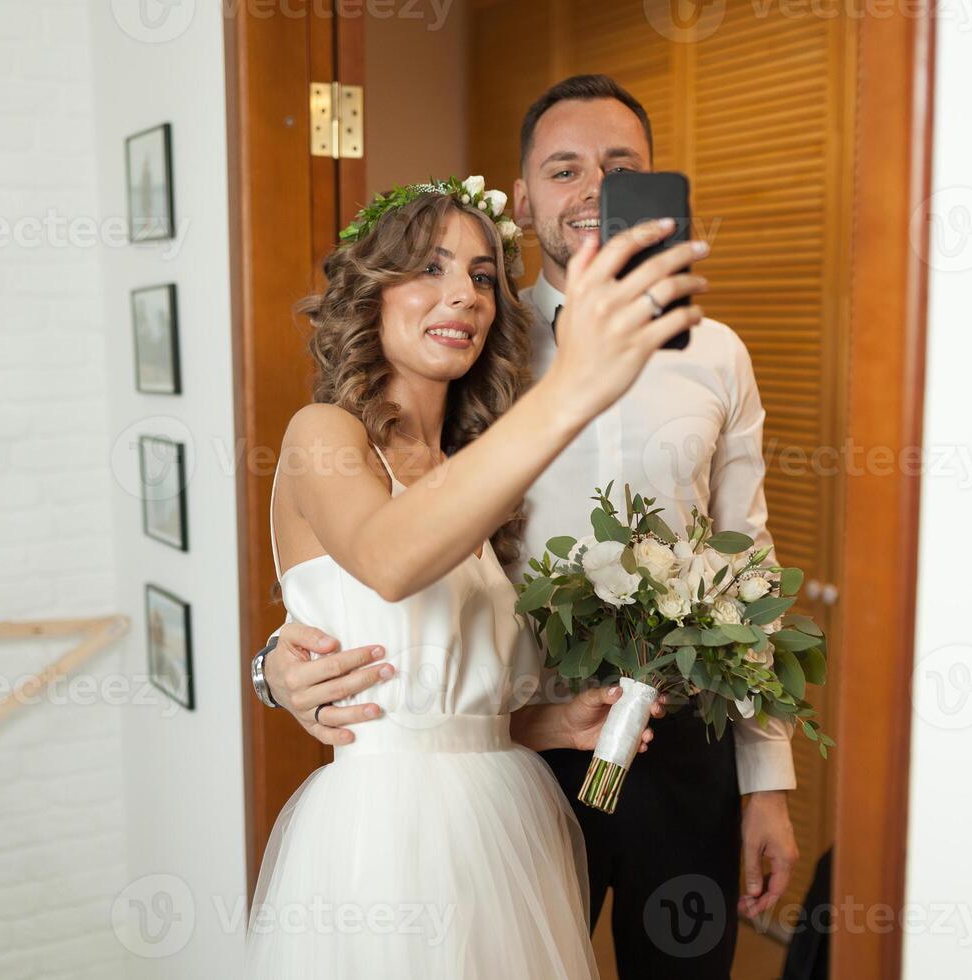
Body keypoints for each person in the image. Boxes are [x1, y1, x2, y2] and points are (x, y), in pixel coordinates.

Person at [252, 75, 800, 978]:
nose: (458, 297)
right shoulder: (481, 372)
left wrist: (765, 782)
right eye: (564, 168)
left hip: (623, 734)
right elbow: (370, 561)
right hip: (495, 798)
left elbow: (754, 555)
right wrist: (274, 667)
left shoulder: (709, 355)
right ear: (524, 200)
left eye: (620, 168)